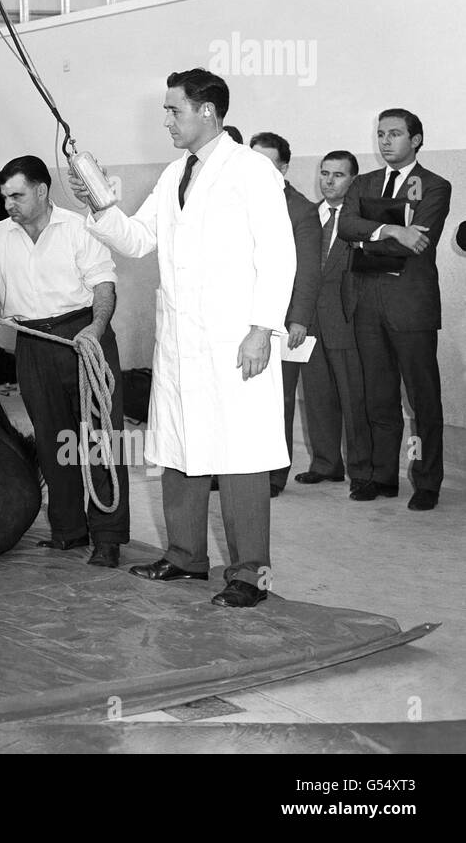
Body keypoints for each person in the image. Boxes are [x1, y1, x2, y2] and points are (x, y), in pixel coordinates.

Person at [70, 68, 295, 609]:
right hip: (180, 339)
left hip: (235, 337)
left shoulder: (252, 171)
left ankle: (248, 572)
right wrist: (99, 204)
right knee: (177, 446)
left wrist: (262, 329)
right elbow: (139, 238)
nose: (166, 119)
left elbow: (279, 254)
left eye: (174, 110)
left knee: (239, 454)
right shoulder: (174, 175)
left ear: (208, 112)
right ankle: (186, 557)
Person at [0, 155, 128, 567]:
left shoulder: (80, 227)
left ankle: (109, 537)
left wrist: (96, 329)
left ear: (42, 191)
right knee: (51, 439)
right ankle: (68, 529)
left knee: (100, 440)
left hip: (83, 337)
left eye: (17, 195)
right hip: (32, 342)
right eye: (5, 196)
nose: (8, 203)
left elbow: (104, 284)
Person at [338, 109, 451, 510]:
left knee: (422, 400)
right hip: (367, 302)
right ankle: (380, 475)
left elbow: (418, 242)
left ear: (416, 140)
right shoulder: (364, 183)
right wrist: (390, 229)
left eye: (396, 134)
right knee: (378, 396)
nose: (386, 141)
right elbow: (345, 226)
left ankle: (426, 480)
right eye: (381, 134)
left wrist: (367, 242)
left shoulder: (435, 186)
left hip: (411, 306)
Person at [249, 133, 323, 498]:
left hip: (282, 321)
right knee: (242, 396)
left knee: (279, 399)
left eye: (266, 162)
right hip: (241, 316)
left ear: (283, 167)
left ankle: (275, 475)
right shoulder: (240, 199)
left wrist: (299, 318)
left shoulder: (301, 208)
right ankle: (238, 469)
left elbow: (309, 270)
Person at [298, 151, 369, 487]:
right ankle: (326, 464)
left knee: (354, 400)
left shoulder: (365, 218)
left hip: (348, 321)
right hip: (311, 323)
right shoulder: (308, 215)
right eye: (324, 173)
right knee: (317, 396)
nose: (328, 181)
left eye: (338, 175)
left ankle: (361, 470)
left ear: (353, 179)